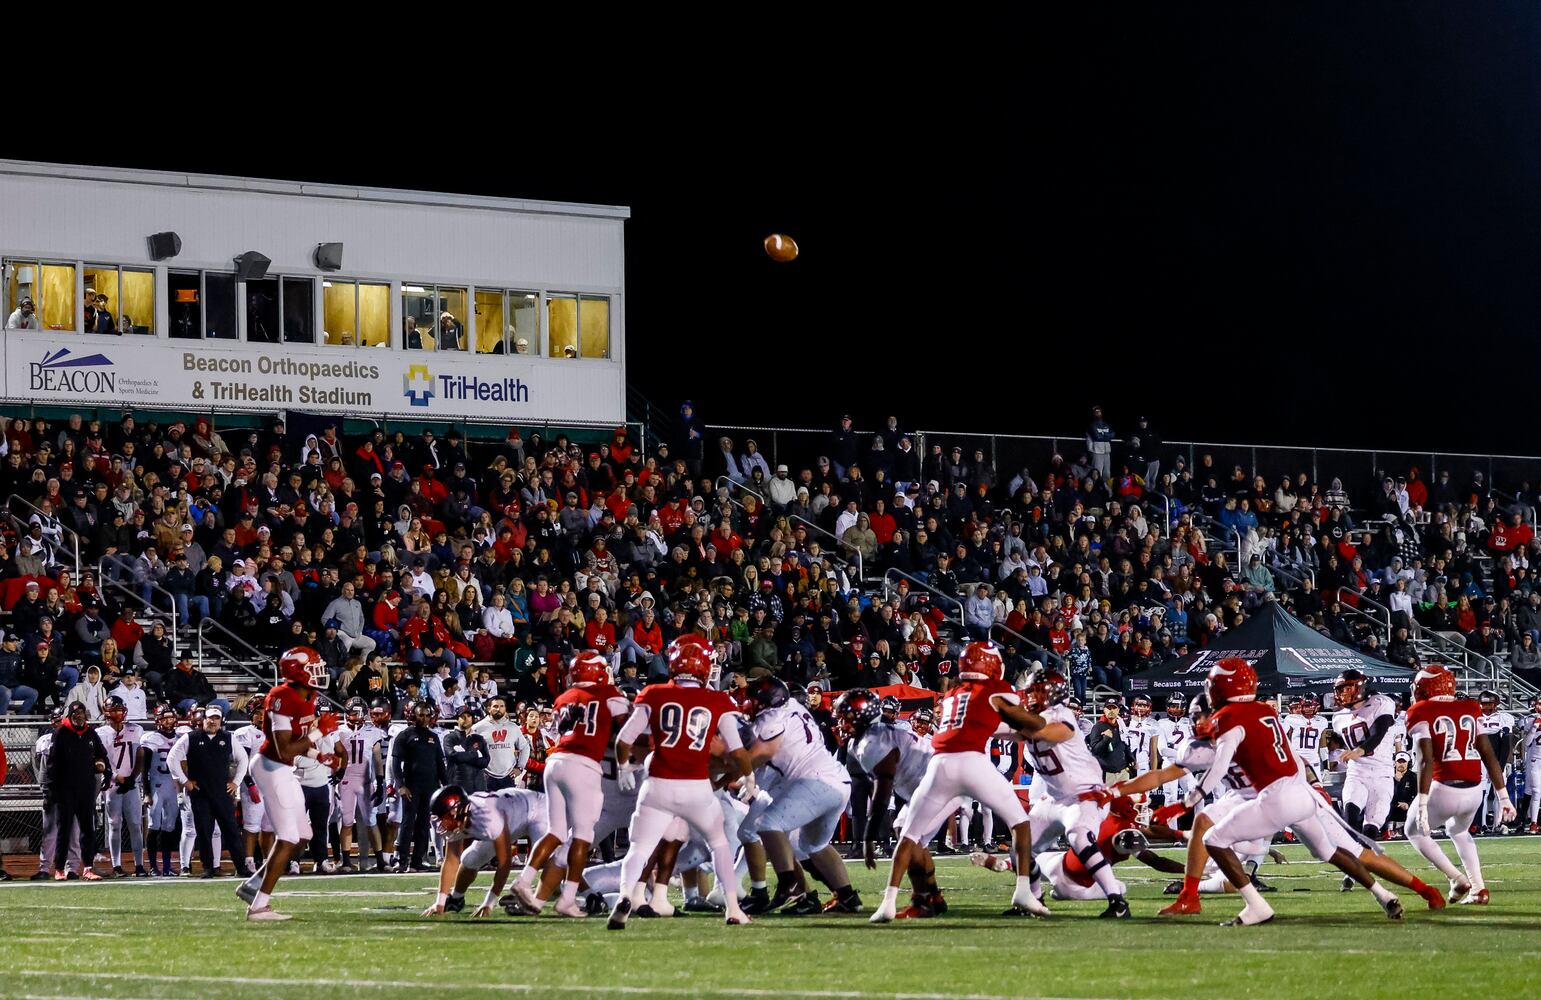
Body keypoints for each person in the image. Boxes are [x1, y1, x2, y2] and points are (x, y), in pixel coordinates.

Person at [1189, 658, 1402, 926]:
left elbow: (1219, 766)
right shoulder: (1265, 712)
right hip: (1300, 792)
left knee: (1214, 839)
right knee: (1329, 851)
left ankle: (1255, 906)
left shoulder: (1229, 717)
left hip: (1275, 796)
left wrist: (1193, 796)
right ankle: (1383, 895)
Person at [871, 642, 1048, 923]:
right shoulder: (995, 689)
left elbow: (980, 723)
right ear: (990, 664)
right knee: (1020, 823)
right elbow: (1034, 725)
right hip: (971, 762)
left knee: (908, 835)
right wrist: (1034, 712)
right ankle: (1024, 890)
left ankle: (888, 903)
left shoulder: (953, 693)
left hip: (940, 765)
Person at [607, 635, 754, 929]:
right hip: (697, 786)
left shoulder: (654, 693)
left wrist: (624, 768)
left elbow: (625, 739)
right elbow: (736, 751)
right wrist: (749, 775)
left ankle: (626, 894)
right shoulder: (717, 699)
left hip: (658, 783)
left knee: (639, 848)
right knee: (720, 844)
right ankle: (733, 909)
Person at [512, 651, 629, 916]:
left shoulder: (563, 697)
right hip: (582, 764)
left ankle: (524, 880)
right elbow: (627, 728)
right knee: (582, 836)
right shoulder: (607, 693)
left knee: (555, 832)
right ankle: (567, 899)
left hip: (555, 763)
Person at [738, 675, 861, 916]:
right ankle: (847, 897)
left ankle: (790, 887)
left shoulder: (771, 718)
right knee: (812, 844)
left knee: (769, 825)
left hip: (813, 781)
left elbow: (761, 753)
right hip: (836, 780)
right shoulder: (795, 707)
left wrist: (728, 767)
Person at [1017, 667, 1133, 918]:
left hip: (1084, 795)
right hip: (1055, 797)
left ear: (1053, 695)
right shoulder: (1031, 716)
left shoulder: (1062, 715)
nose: (1031, 696)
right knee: (1020, 847)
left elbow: (1046, 732)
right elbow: (1007, 730)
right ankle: (1033, 900)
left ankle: (1118, 902)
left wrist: (1009, 713)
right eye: (1031, 691)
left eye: (1037, 691)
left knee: (1079, 837)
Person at [235, 647, 339, 921]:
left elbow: (296, 743)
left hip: (283, 767)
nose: (319, 673)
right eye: (313, 667)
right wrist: (320, 732)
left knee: (303, 834)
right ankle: (258, 907)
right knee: (288, 837)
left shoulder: (308, 696)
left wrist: (320, 754)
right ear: (297, 671)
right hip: (272, 767)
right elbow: (283, 749)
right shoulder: (282, 696)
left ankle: (254, 884)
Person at [1404, 665, 1514, 905]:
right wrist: (1504, 796)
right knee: (1458, 831)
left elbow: (1424, 758)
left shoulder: (1420, 710)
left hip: (1444, 787)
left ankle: (1456, 879)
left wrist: (1422, 801)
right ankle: (1479, 889)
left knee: (1413, 831)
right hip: (1475, 787)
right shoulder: (1471, 707)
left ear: (1424, 688)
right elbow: (1488, 753)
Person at [840, 688, 948, 918]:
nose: (841, 722)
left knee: (908, 835)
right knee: (907, 833)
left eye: (846, 716)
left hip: (939, 782)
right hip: (925, 785)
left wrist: (868, 838)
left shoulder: (873, 741)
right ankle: (932, 896)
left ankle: (923, 899)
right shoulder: (863, 740)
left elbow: (882, 792)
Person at [422, 784, 550, 918]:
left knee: (550, 858)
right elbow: (451, 860)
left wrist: (489, 902)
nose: (442, 824)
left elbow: (504, 862)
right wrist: (440, 903)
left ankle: (550, 896)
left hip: (537, 808)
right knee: (470, 859)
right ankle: (456, 899)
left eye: (445, 818)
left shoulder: (488, 817)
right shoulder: (459, 817)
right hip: (510, 816)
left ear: (459, 811)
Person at [171, 703, 252, 879]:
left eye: (216, 718)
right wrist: (185, 782)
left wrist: (236, 782)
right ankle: (208, 867)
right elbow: (172, 759)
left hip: (222, 792)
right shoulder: (191, 737)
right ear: (203, 719)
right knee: (204, 831)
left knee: (231, 830)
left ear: (220, 720)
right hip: (200, 793)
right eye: (210, 718)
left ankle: (241, 866)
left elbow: (243, 759)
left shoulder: (228, 738)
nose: (213, 721)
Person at [1329, 669, 1398, 849]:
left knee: (1372, 826)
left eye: (1347, 688)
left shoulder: (1381, 702)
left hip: (1382, 774)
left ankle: (1361, 865)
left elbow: (1378, 733)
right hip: (1357, 772)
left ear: (1360, 687)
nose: (1342, 693)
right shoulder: (1338, 717)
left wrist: (1359, 750)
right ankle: (1351, 862)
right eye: (1340, 689)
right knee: (1350, 816)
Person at [47, 701, 108, 880]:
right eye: (75, 714)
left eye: (81, 713)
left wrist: (104, 767)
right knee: (64, 829)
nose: (79, 716)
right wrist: (52, 790)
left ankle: (88, 867)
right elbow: (52, 764)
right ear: (70, 716)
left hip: (85, 788)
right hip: (65, 790)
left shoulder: (90, 733)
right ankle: (59, 868)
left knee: (87, 829)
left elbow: (101, 754)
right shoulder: (61, 734)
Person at [391, 698, 448, 872]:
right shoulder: (405, 735)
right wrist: (400, 785)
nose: (424, 718)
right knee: (407, 823)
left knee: (424, 824)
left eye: (426, 715)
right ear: (413, 716)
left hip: (430, 786)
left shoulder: (434, 736)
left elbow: (439, 764)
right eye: (420, 715)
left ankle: (417, 860)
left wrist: (446, 786)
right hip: (412, 786)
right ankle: (401, 860)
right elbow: (395, 763)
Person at [96, 696, 147, 877]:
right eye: (114, 710)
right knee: (114, 824)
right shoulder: (100, 733)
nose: (118, 713)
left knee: (135, 824)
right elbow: (101, 758)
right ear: (107, 712)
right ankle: (117, 866)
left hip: (131, 783)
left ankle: (139, 865)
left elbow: (140, 754)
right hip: (112, 784)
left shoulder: (135, 729)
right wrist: (115, 776)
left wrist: (133, 777)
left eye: (120, 709)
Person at [336, 697, 387, 873]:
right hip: (345, 781)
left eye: (359, 713)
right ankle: (346, 861)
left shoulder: (372, 731)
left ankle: (381, 860)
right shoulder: (339, 731)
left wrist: (380, 781)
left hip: (365, 781)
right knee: (347, 821)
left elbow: (377, 758)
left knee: (371, 821)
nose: (356, 717)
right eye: (353, 713)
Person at [139, 705, 182, 877]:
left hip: (173, 787)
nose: (169, 722)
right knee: (154, 826)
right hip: (157, 785)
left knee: (169, 827)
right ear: (158, 720)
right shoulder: (151, 738)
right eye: (165, 718)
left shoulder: (181, 738)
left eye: (171, 718)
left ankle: (166, 865)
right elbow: (145, 768)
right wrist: (147, 792)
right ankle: (152, 866)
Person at [472, 695, 530, 791]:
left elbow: (525, 747)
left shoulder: (513, 727)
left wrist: (520, 768)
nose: (499, 709)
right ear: (489, 708)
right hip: (485, 777)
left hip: (508, 777)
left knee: (507, 806)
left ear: (505, 708)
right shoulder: (477, 728)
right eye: (495, 706)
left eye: (502, 706)